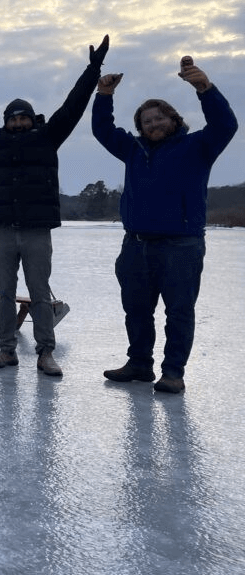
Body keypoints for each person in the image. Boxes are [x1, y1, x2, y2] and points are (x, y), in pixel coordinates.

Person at [0, 36, 110, 377]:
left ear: (32, 119)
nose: (17, 123)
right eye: (12, 119)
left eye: (23, 118)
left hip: (36, 231)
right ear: (5, 122)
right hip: (2, 230)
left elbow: (73, 105)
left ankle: (46, 353)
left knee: (39, 294)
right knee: (4, 293)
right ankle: (6, 350)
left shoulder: (49, 136)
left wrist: (93, 70)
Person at [92, 56, 237, 393]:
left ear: (173, 119)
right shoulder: (133, 149)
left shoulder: (197, 146)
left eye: (159, 118)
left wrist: (205, 88)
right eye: (146, 121)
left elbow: (225, 126)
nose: (153, 124)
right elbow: (102, 130)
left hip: (181, 246)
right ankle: (140, 364)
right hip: (136, 244)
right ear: (140, 127)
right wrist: (103, 96)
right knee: (137, 310)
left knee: (179, 312)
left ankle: (173, 372)